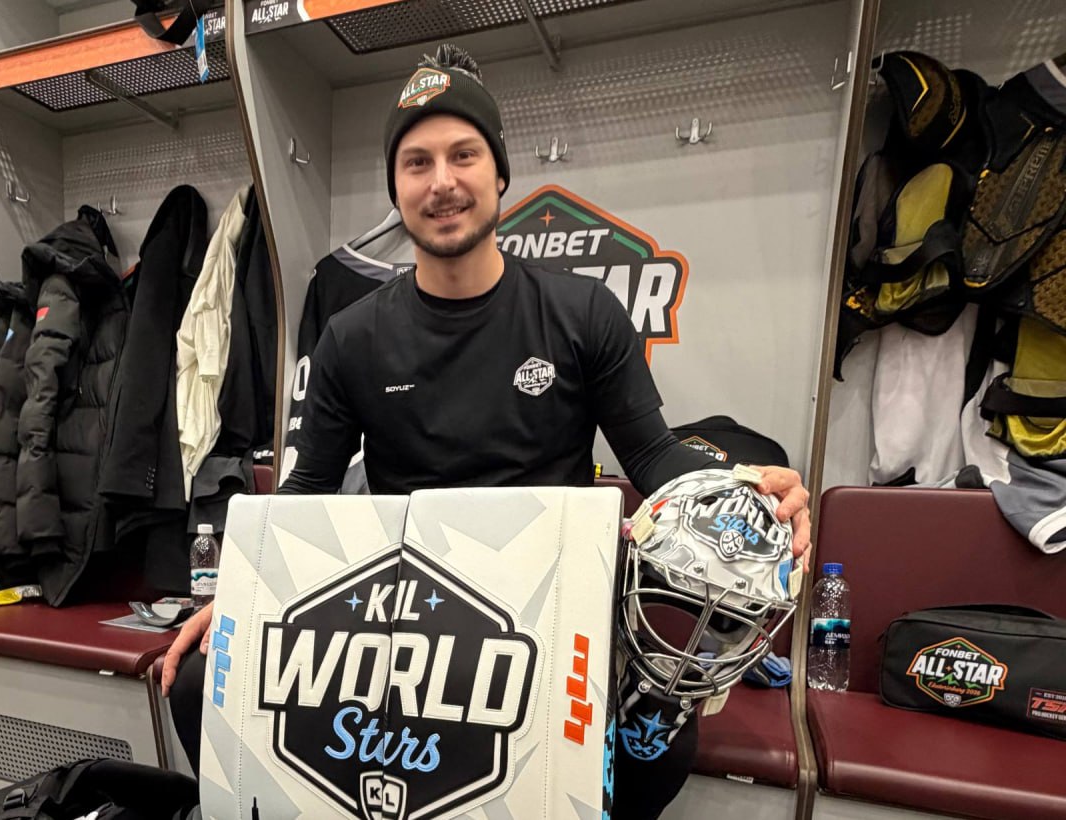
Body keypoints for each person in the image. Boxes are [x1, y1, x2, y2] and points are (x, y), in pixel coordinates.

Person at [164, 43, 812, 818]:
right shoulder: (353, 337)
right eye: (417, 163)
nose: (442, 181)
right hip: (405, 623)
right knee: (199, 682)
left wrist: (747, 493)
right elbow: (306, 494)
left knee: (657, 741)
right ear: (396, 189)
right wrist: (243, 596)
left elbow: (654, 456)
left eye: (463, 155)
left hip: (555, 614)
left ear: (499, 173)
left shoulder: (582, 314)